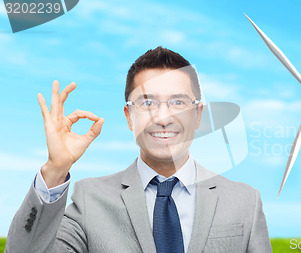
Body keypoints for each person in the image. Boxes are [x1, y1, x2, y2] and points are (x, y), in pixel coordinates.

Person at [5, 47, 272, 253]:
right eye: (147, 103)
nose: (162, 117)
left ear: (198, 116)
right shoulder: (90, 200)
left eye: (178, 102)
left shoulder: (245, 202)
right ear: (129, 117)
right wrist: (55, 169)